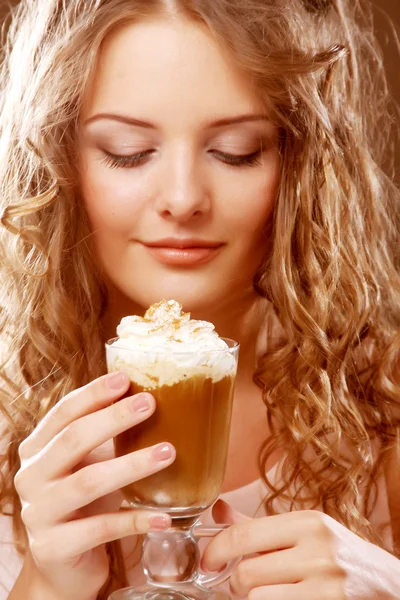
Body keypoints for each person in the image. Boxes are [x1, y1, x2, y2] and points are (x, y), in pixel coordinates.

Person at [0, 0, 399, 598]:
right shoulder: (12, 411)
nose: (184, 199)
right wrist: (47, 587)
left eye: (237, 150)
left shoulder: (381, 400)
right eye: (128, 151)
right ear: (56, 162)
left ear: (300, 161)